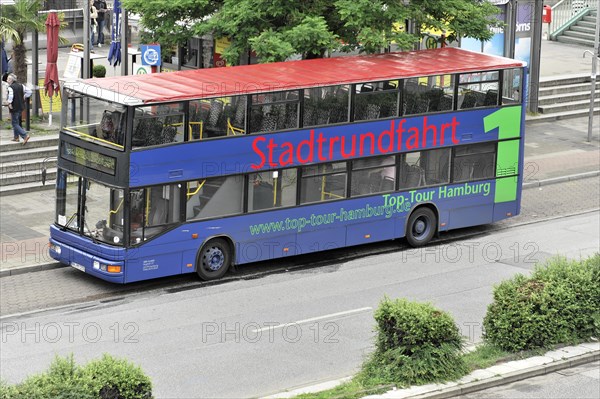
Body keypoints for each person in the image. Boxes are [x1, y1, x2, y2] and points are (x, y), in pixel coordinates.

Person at [2, 74, 31, 144]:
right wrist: (24, 96)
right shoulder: (21, 85)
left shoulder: (10, 87)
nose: (7, 80)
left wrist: (9, 103)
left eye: (8, 79)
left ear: (11, 80)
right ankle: (16, 137)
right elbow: (29, 91)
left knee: (14, 123)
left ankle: (25, 135)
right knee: (17, 121)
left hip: (14, 106)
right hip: (21, 106)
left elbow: (11, 96)